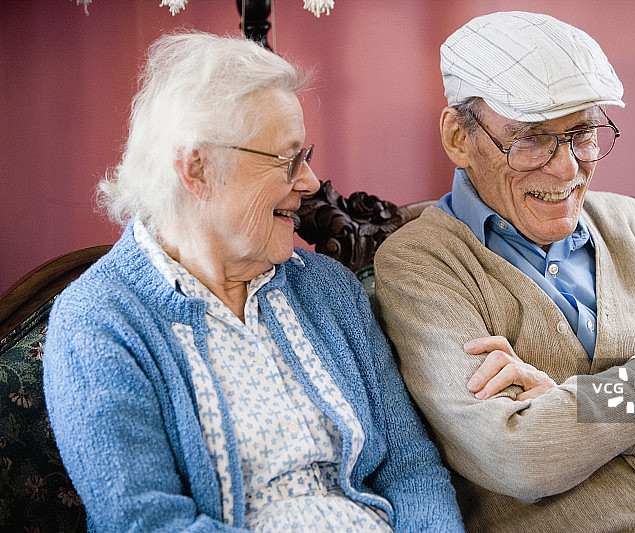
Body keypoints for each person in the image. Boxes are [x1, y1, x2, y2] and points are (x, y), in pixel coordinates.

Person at [374, 11, 635, 533]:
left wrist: (571, 403)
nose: (568, 167)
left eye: (583, 132)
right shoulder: (421, 262)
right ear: (459, 137)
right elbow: (521, 459)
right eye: (531, 138)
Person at [43, 31, 463, 533]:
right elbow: (146, 521)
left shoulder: (328, 289)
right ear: (197, 168)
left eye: (305, 155)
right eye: (288, 160)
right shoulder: (99, 322)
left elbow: (412, 469)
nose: (310, 182)